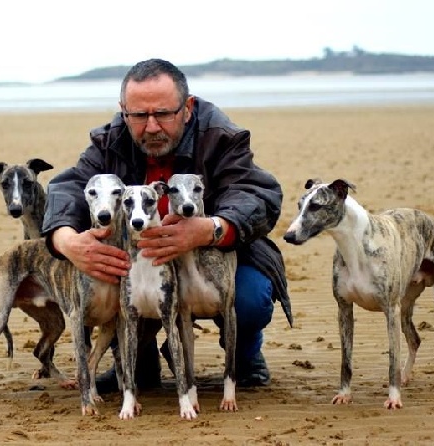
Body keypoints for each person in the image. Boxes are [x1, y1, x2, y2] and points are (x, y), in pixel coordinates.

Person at [41, 58, 292, 392]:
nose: (152, 127)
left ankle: (244, 356)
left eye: (162, 114)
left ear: (187, 108)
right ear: (123, 111)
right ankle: (136, 361)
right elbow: (69, 187)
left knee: (250, 298)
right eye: (139, 116)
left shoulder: (220, 134)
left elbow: (256, 195)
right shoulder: (110, 139)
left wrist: (208, 229)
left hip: (212, 253)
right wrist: (66, 241)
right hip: (139, 257)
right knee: (96, 273)